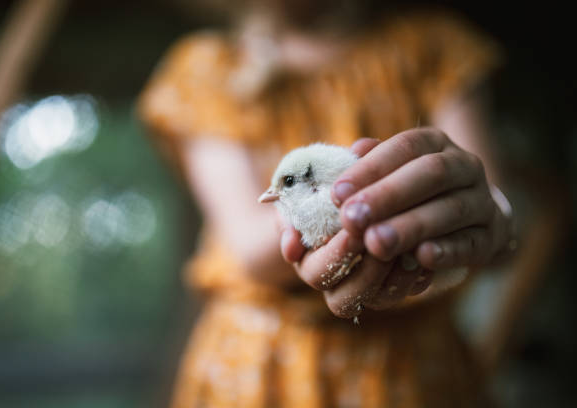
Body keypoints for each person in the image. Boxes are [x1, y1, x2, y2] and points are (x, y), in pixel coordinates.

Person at [138, 2, 515, 406]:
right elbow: (250, 244)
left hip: (413, 369)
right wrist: (355, 214)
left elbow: (499, 215)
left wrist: (488, 219)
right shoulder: (209, 67)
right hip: (266, 368)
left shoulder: (431, 46)